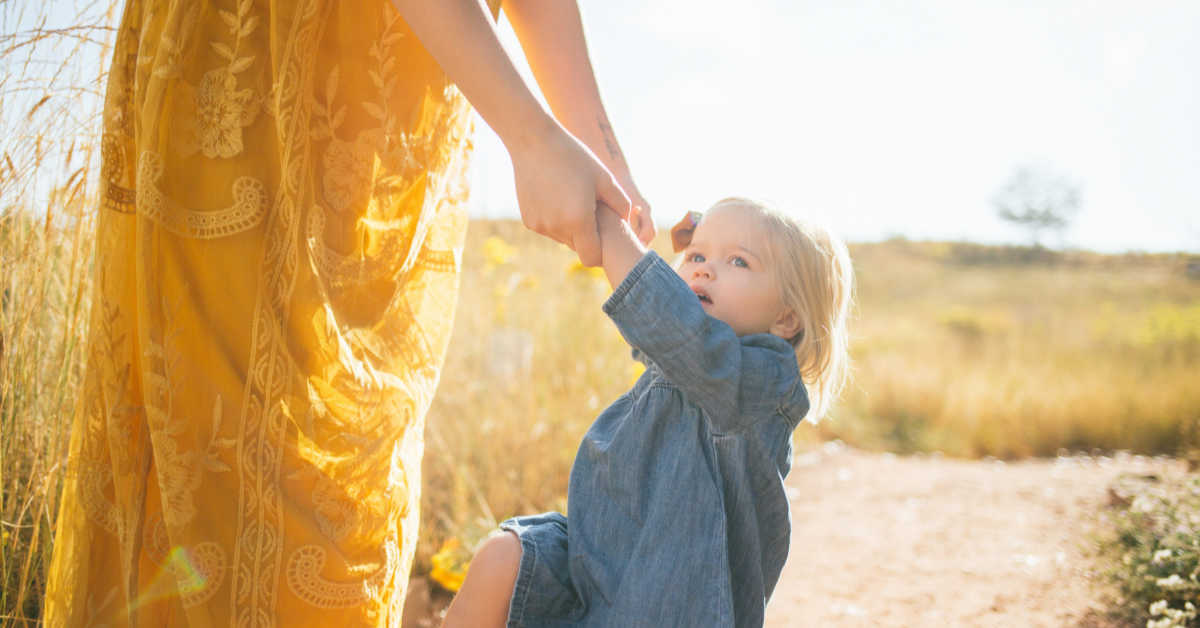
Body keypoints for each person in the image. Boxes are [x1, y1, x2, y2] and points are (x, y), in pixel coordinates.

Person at [44, 0, 651, 625]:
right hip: (252, 64)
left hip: (386, 112)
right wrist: (532, 135)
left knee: (347, 480)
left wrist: (599, 156)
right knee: (227, 463)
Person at [442, 198, 854, 628]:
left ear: (786, 319)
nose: (704, 269)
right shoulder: (676, 364)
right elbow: (665, 331)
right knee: (503, 557)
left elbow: (670, 324)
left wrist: (608, 230)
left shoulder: (759, 380)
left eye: (739, 261)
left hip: (677, 604)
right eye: (696, 255)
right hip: (598, 572)